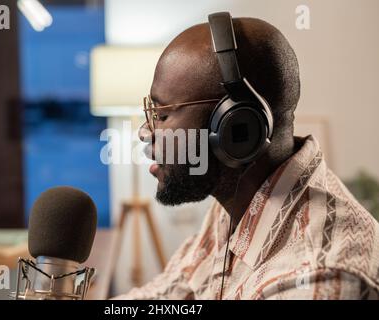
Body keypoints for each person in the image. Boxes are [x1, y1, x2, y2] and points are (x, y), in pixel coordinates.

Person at [116, 14, 379, 299]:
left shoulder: (318, 278)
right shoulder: (238, 198)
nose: (145, 132)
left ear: (236, 127)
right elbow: (168, 295)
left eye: (162, 115)